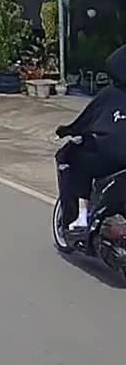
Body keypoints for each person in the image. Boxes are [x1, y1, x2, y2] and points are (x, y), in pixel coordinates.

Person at [55, 44, 126, 231]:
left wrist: (64, 131)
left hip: (108, 158)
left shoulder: (108, 95)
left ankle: (82, 215)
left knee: (76, 159)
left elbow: (84, 121)